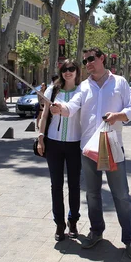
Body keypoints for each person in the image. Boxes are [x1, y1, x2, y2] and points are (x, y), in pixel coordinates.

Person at [50, 47, 131, 260]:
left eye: (91, 59)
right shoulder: (83, 86)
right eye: (85, 61)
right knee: (92, 194)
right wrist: (59, 108)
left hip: (112, 147)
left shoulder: (120, 82)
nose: (88, 64)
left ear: (102, 58)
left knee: (122, 196)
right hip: (88, 149)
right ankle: (96, 231)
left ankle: (130, 240)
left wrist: (118, 115)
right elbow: (71, 107)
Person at [37, 60, 82, 241]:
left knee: (74, 185)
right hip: (53, 143)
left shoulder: (83, 91)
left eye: (71, 69)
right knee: (56, 185)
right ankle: (59, 223)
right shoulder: (52, 90)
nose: (68, 72)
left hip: (75, 143)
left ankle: (73, 221)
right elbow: (44, 115)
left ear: (77, 71)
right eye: (64, 70)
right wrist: (41, 138)